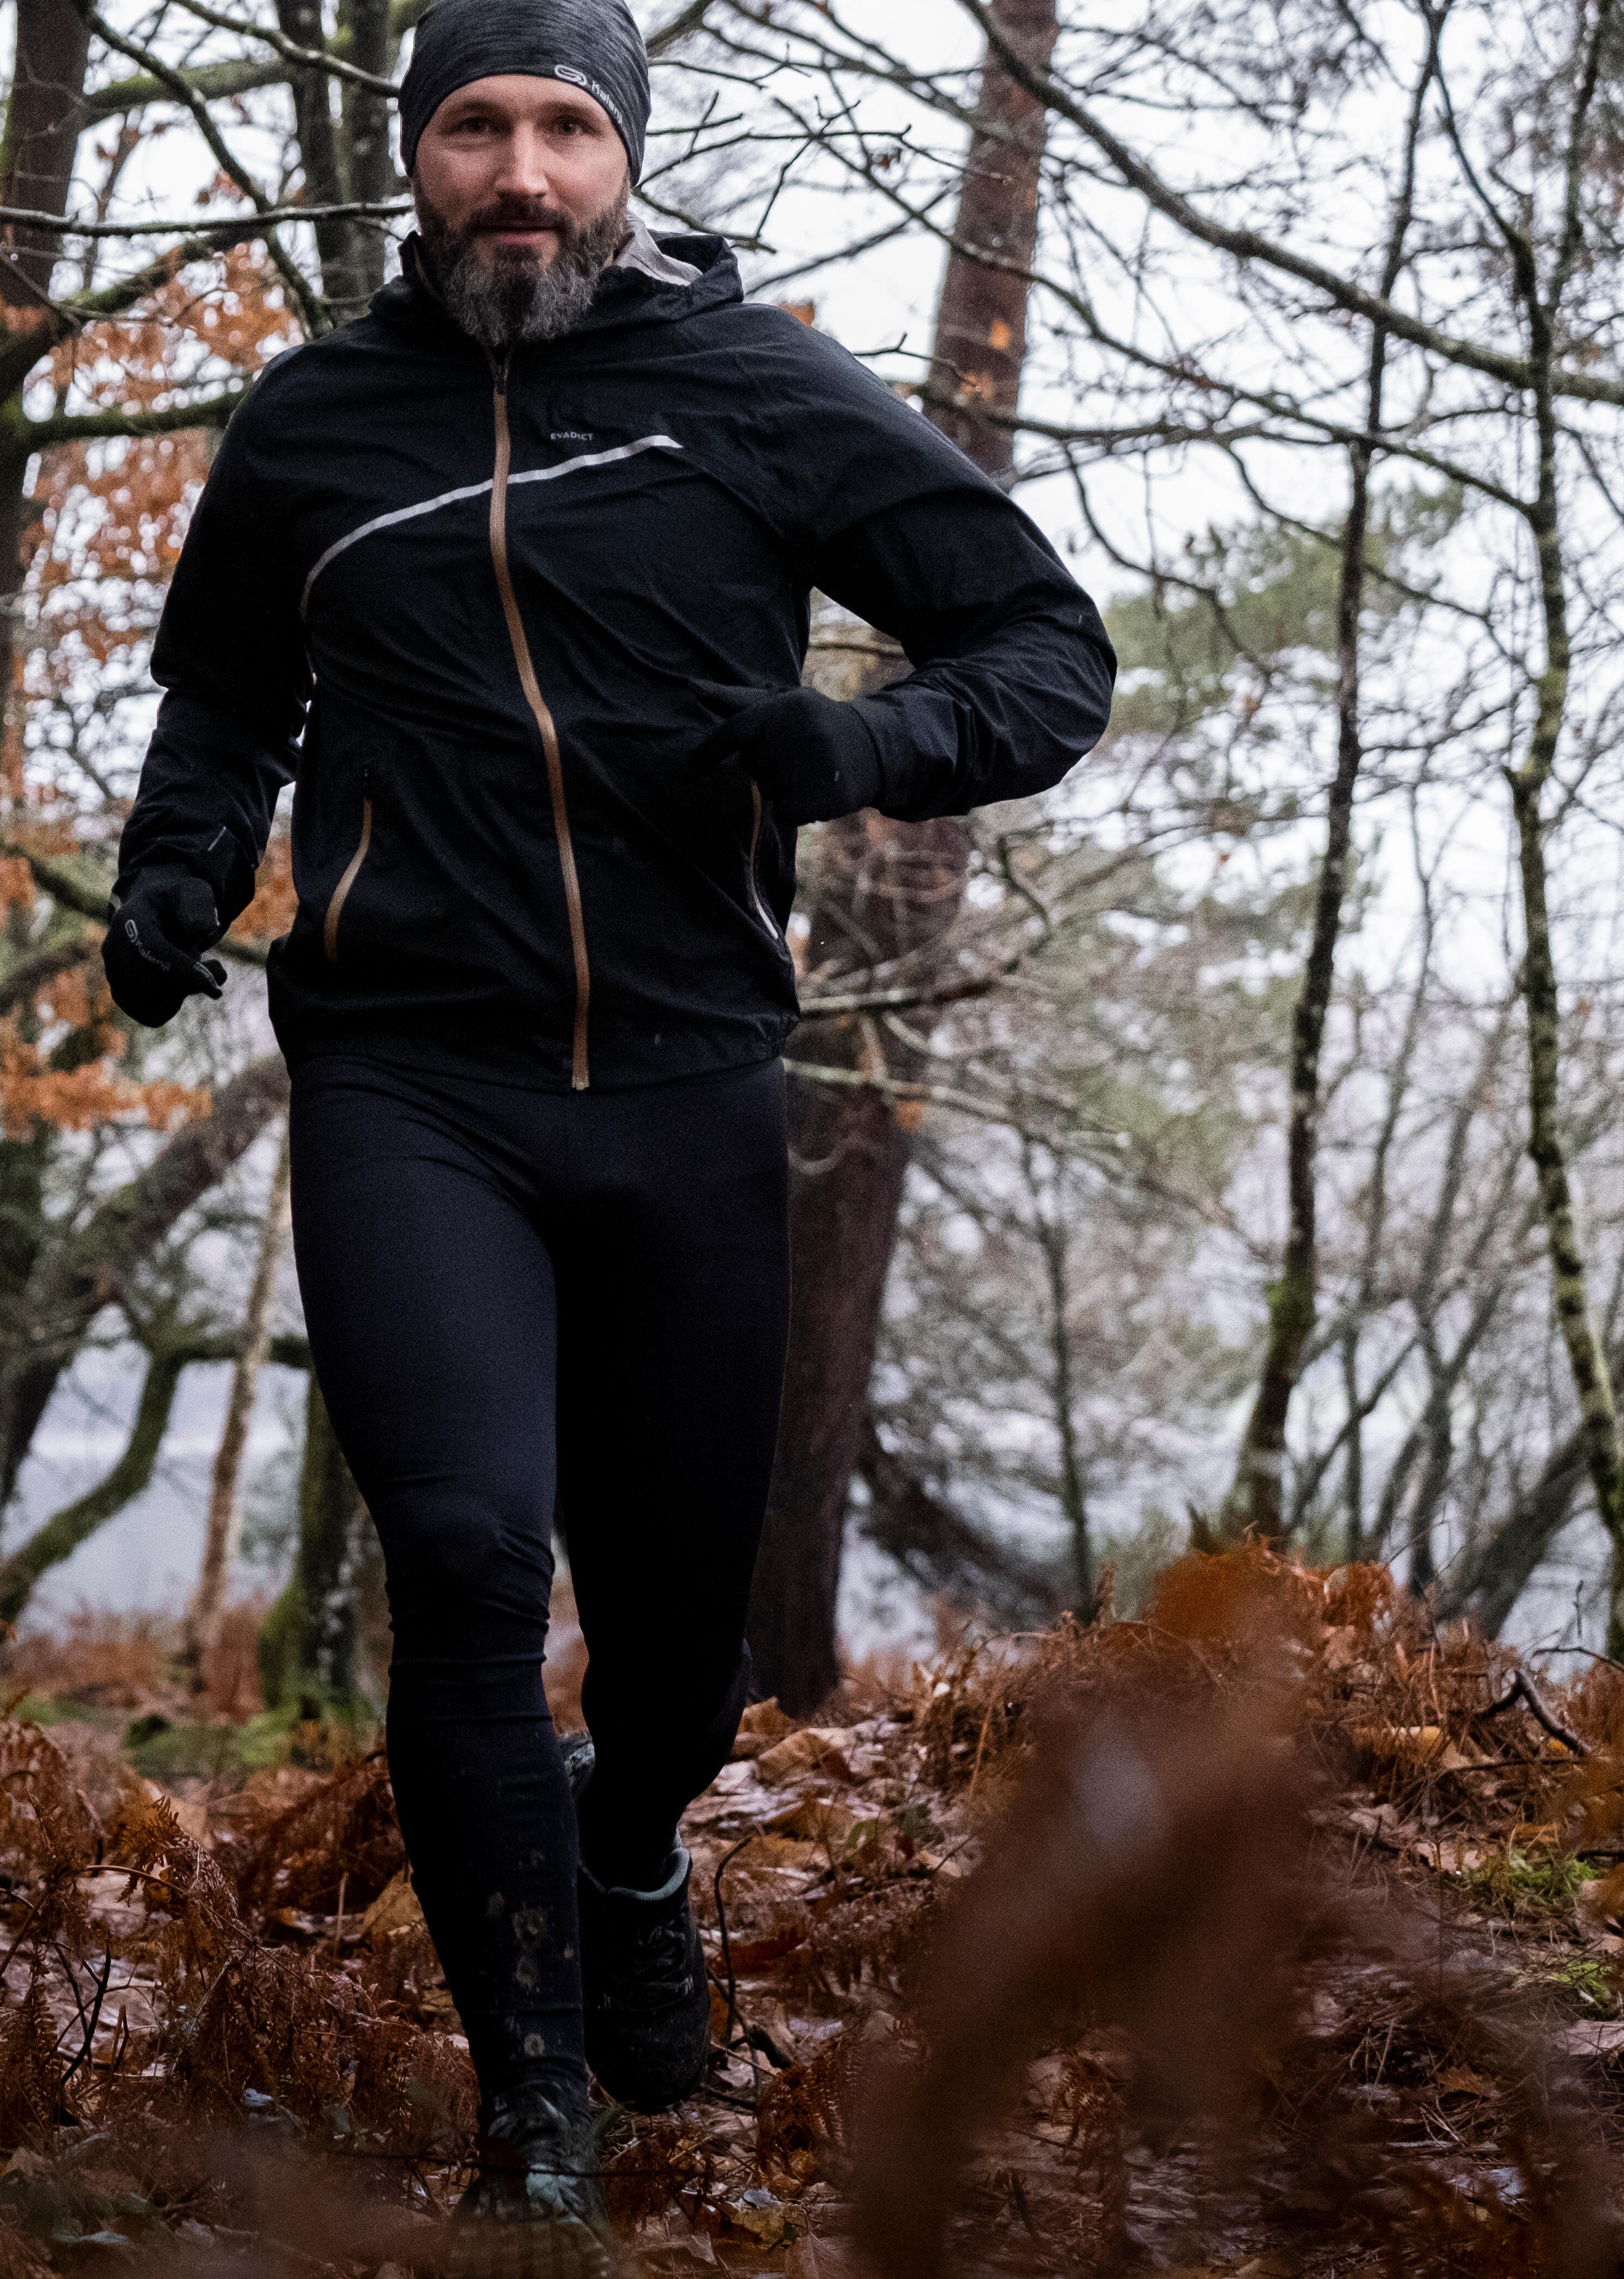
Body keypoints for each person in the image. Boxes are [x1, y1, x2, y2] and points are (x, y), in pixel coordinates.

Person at [104, 0, 1114, 2246]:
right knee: (465, 1554)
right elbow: (223, 691)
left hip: (683, 1081)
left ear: (626, 158)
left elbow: (1048, 650)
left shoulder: (762, 398)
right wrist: (178, 870)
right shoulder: (317, 420)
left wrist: (854, 752)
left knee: (680, 1649)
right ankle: (530, 2117)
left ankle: (632, 1839)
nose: (524, 170)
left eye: (568, 125)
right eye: (479, 125)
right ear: (419, 156)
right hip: (409, 1070)